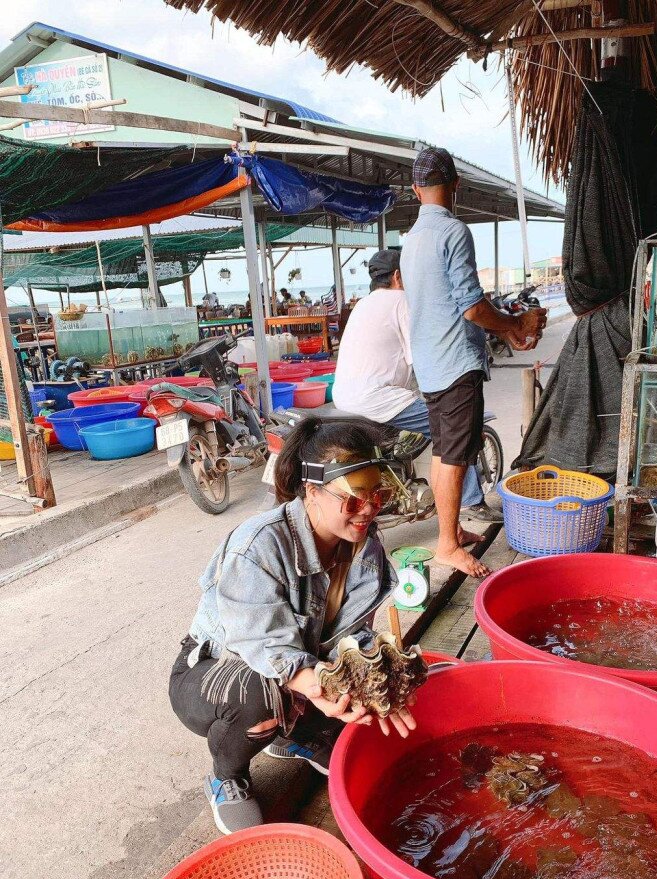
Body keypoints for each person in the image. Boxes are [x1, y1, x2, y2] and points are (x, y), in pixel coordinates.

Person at [169, 419, 415, 834]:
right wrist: (318, 685)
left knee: (365, 717)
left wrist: (378, 681)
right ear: (311, 490)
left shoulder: (365, 543)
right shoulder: (258, 546)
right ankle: (227, 774)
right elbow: (262, 645)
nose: (369, 509)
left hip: (305, 668)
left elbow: (351, 641)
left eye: (379, 494)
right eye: (353, 500)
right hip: (215, 671)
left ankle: (290, 737)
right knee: (264, 697)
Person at [401, 147, 547, 577]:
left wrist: (509, 329)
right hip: (454, 363)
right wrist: (515, 322)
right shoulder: (453, 231)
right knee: (456, 457)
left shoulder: (410, 241)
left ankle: (452, 532)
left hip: (429, 365)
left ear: (415, 190)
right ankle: (447, 543)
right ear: (456, 185)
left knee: (445, 451)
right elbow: (471, 308)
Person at [332, 248, 499, 524]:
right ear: (399, 276)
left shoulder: (362, 304)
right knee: (454, 426)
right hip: (379, 398)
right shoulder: (402, 301)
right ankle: (471, 501)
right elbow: (422, 358)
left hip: (345, 397)